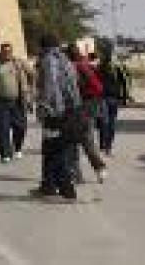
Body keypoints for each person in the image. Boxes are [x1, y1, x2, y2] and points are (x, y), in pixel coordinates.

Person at [32, 33, 82, 201]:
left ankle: (67, 189)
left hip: (56, 113)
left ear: (43, 46)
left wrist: (44, 107)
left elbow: (51, 86)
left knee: (54, 148)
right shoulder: (65, 59)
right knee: (51, 147)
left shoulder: (49, 60)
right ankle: (48, 185)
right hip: (70, 110)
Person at [0, 43, 29, 163]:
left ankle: (17, 147)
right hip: (0, 101)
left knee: (20, 127)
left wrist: (29, 92)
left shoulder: (18, 64)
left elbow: (32, 74)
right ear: (1, 53)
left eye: (9, 51)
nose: (7, 54)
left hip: (17, 101)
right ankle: (5, 154)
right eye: (5, 52)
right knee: (3, 128)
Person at [67, 46, 107, 183]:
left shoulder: (76, 67)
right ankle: (99, 169)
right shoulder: (86, 65)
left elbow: (96, 87)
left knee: (72, 142)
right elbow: (98, 88)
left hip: (80, 108)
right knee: (87, 141)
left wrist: (83, 95)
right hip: (88, 108)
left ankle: (77, 174)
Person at [97, 52, 124, 156]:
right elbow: (123, 83)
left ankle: (104, 144)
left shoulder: (99, 69)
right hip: (112, 98)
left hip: (104, 98)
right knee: (110, 123)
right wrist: (123, 97)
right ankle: (108, 146)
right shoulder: (117, 69)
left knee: (105, 122)